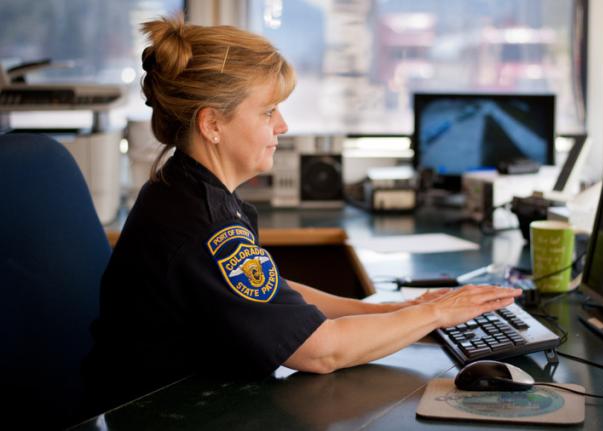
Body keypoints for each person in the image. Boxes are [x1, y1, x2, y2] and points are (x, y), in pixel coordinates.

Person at [82, 16, 521, 412]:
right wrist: (435, 316)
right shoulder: (205, 226)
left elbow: (272, 294)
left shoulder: (188, 187)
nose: (282, 126)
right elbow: (321, 351)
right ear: (212, 124)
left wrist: (392, 312)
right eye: (268, 111)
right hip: (169, 416)